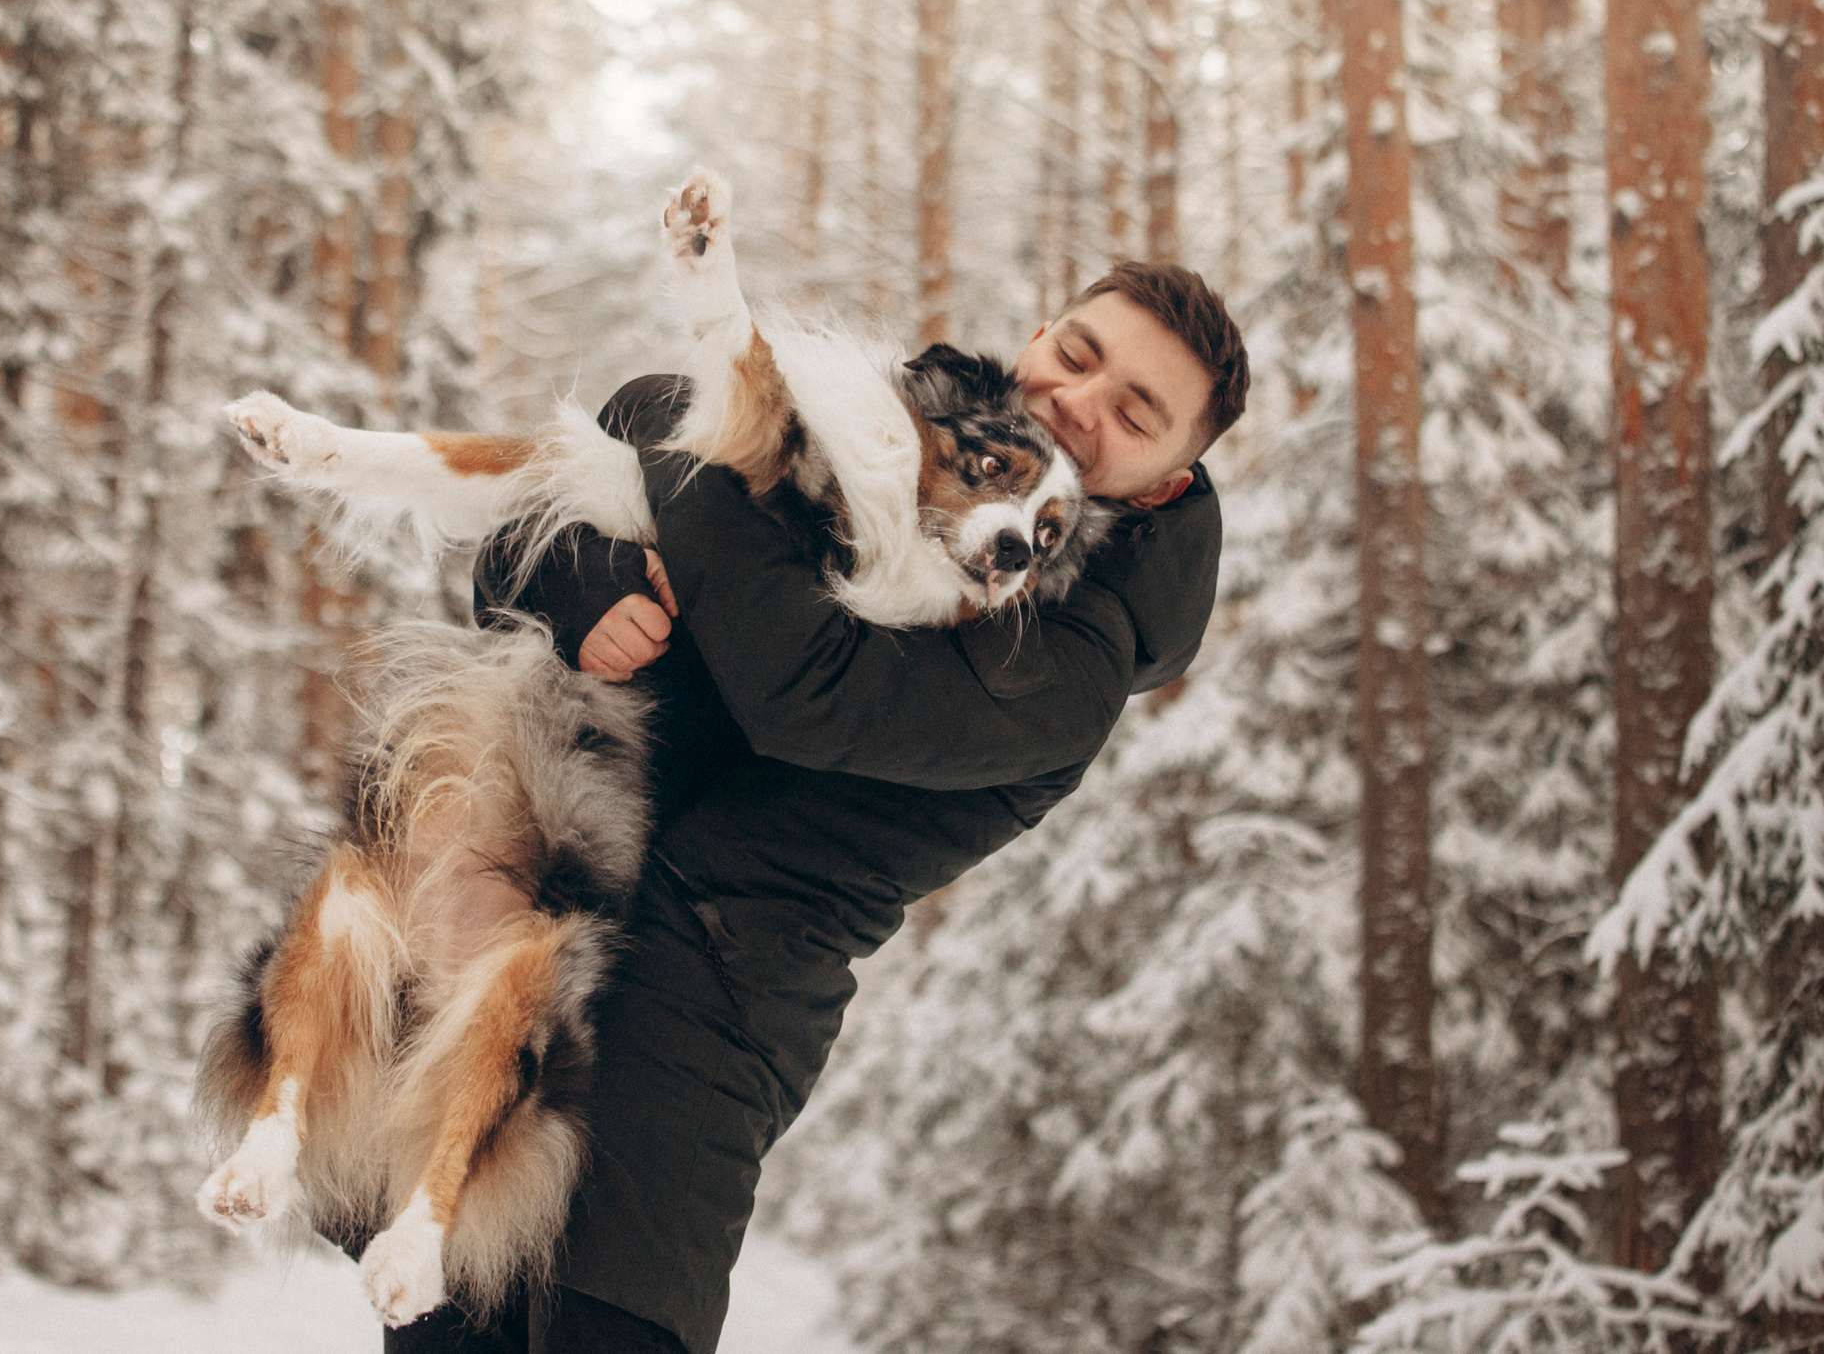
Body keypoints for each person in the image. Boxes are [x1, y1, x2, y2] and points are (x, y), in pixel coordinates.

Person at [379, 260, 1250, 1354]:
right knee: (439, 1323)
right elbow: (531, 550)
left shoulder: (1069, 655)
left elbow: (805, 687)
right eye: (1078, 355)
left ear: (1168, 480)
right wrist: (576, 576)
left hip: (684, 1046)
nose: (1077, 400)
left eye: (1136, 412)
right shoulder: (902, 454)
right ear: (1037, 338)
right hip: (526, 950)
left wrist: (675, 416)